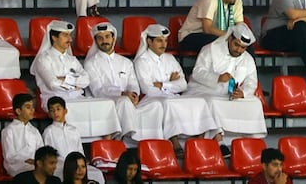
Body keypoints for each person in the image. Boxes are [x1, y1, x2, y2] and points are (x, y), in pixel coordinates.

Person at [133, 23, 221, 152]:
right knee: (169, 103)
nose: (163, 44)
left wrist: (163, 84)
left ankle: (200, 139)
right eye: (159, 41)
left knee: (199, 101)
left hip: (172, 96)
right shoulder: (141, 61)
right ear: (149, 42)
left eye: (165, 41)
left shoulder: (170, 58)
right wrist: (171, 84)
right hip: (152, 99)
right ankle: (174, 141)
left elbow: (183, 85)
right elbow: (147, 89)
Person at [31, 20, 120, 139]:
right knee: (71, 108)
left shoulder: (72, 59)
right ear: (54, 37)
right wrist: (75, 82)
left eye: (70, 35)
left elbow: (86, 80)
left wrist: (65, 79)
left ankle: (103, 143)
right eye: (65, 35)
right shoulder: (43, 59)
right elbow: (52, 83)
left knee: (106, 104)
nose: (70, 39)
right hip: (55, 99)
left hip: (77, 97)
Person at [185, 23, 267, 147]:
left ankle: (250, 142)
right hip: (204, 90)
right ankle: (218, 141)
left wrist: (243, 93)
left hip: (231, 94)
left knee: (255, 103)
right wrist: (217, 78)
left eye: (243, 48)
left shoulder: (248, 59)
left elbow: (251, 81)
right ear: (229, 38)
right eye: (236, 45)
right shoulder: (210, 49)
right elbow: (198, 73)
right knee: (212, 102)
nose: (238, 50)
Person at [83, 21, 163, 141]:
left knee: (155, 105)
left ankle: (151, 143)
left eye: (107, 36)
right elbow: (98, 90)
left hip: (128, 102)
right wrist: (122, 94)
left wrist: (134, 95)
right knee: (123, 101)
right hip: (105, 103)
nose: (104, 41)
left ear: (113, 38)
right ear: (96, 41)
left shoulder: (126, 62)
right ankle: (122, 140)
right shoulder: (90, 63)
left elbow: (133, 84)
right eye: (100, 38)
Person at [43, 99, 106, 183]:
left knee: (96, 173)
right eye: (52, 110)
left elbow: (80, 150)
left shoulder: (74, 130)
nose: (55, 113)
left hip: (78, 163)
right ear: (49, 114)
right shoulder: (48, 132)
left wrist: (83, 161)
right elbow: (49, 155)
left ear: (65, 111)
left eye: (58, 109)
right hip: (61, 165)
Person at [178, 0, 245, 52]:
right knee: (218, 42)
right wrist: (230, 37)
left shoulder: (237, 2)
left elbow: (240, 27)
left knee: (245, 43)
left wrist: (240, 38)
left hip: (217, 35)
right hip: (190, 36)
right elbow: (207, 29)